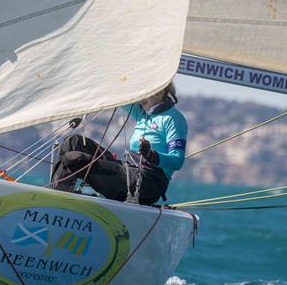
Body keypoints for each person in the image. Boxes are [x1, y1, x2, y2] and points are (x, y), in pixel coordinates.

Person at [49, 82, 187, 205]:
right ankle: (55, 193)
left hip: (148, 182)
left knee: (74, 159)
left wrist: (151, 154)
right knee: (73, 142)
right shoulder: (143, 113)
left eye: (145, 92)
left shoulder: (173, 119)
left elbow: (177, 161)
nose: (140, 98)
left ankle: (53, 202)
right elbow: (118, 94)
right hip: (128, 169)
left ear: (159, 91)